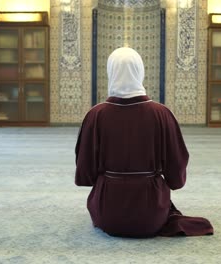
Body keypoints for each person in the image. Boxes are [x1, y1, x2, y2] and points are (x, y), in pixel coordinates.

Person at [75, 47, 213, 238]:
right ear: (140, 72)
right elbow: (176, 164)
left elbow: (85, 169)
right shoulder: (161, 114)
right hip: (151, 212)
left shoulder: (95, 115)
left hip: (107, 212)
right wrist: (171, 181)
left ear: (110, 72)